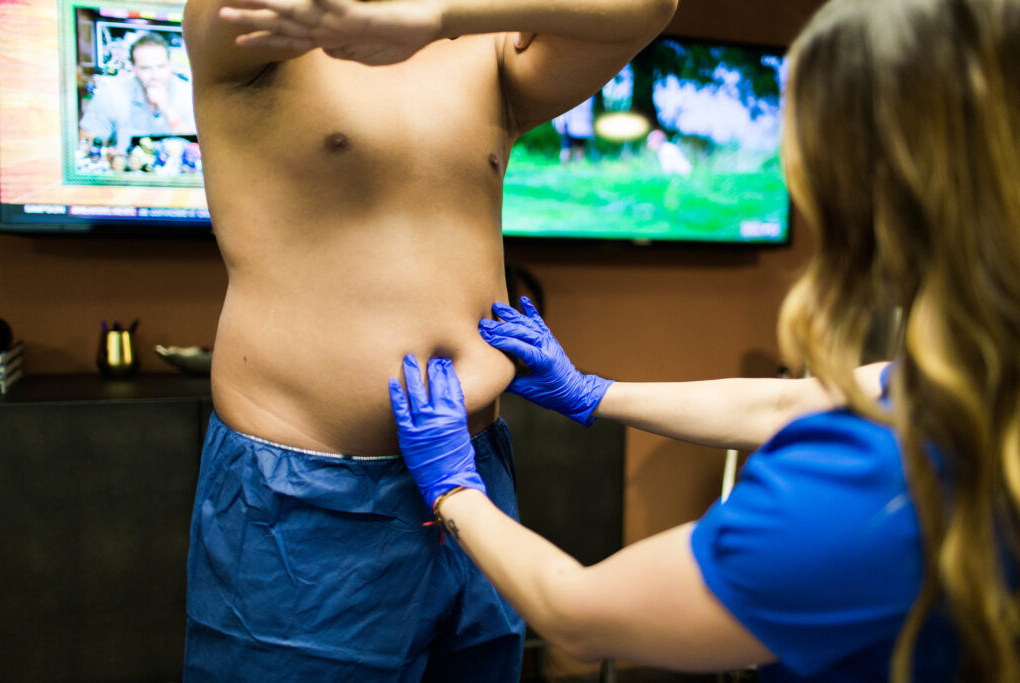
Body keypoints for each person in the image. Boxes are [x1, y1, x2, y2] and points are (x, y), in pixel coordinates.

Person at [388, 0, 1020, 681]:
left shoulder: (869, 490)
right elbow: (791, 405)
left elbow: (577, 613)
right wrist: (594, 394)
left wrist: (455, 488)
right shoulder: (978, 380)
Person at [180, 0, 678, 680]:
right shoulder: (274, 32)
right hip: (307, 507)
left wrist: (441, 15)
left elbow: (652, 6)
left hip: (473, 476)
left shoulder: (479, 47)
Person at [79, 32, 196, 155]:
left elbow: (200, 149)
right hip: (125, 170)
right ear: (133, 68)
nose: (155, 76)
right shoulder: (112, 93)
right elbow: (87, 140)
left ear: (170, 64)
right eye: (145, 68)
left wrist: (167, 108)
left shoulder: (189, 94)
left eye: (161, 67)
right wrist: (106, 155)